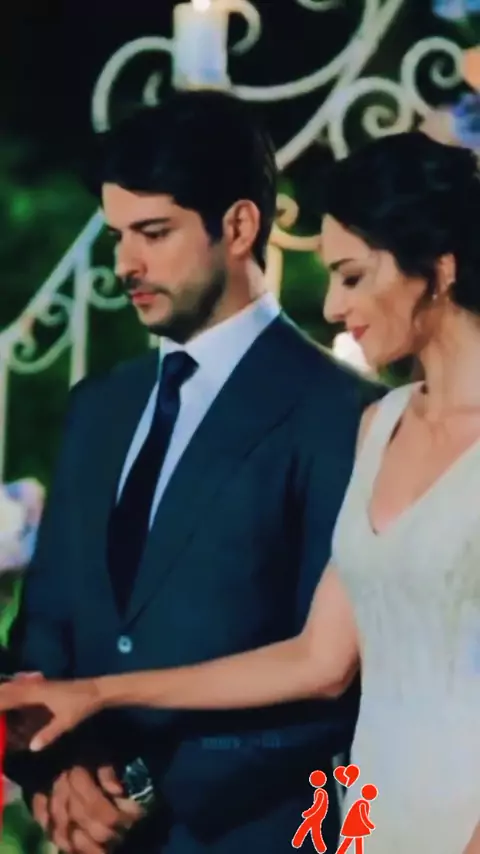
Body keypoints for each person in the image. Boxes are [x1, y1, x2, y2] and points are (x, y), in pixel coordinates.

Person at [4, 131, 480, 854]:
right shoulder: (379, 426)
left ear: (439, 270)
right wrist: (93, 696)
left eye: (352, 276)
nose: (333, 306)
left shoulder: (337, 409)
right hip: (371, 818)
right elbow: (318, 660)